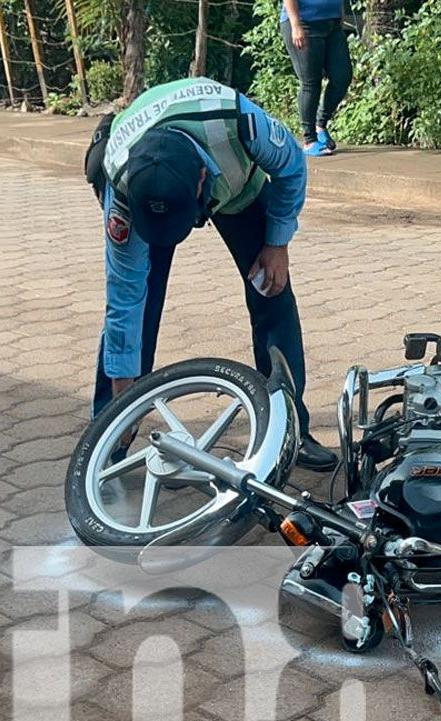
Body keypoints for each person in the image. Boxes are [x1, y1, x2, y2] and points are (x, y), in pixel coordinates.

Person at [84, 76, 337, 471]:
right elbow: (124, 297)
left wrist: (277, 244)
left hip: (238, 188)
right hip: (152, 178)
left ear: (203, 178)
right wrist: (123, 387)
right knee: (139, 303)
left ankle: (289, 430)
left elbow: (291, 168)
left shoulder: (240, 125)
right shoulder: (122, 182)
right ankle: (108, 432)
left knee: (271, 289)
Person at [280, 0, 352, 156]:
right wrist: (295, 24)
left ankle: (321, 125)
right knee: (311, 82)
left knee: (342, 76)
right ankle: (309, 140)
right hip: (304, 23)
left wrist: (340, 15)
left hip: (332, 25)